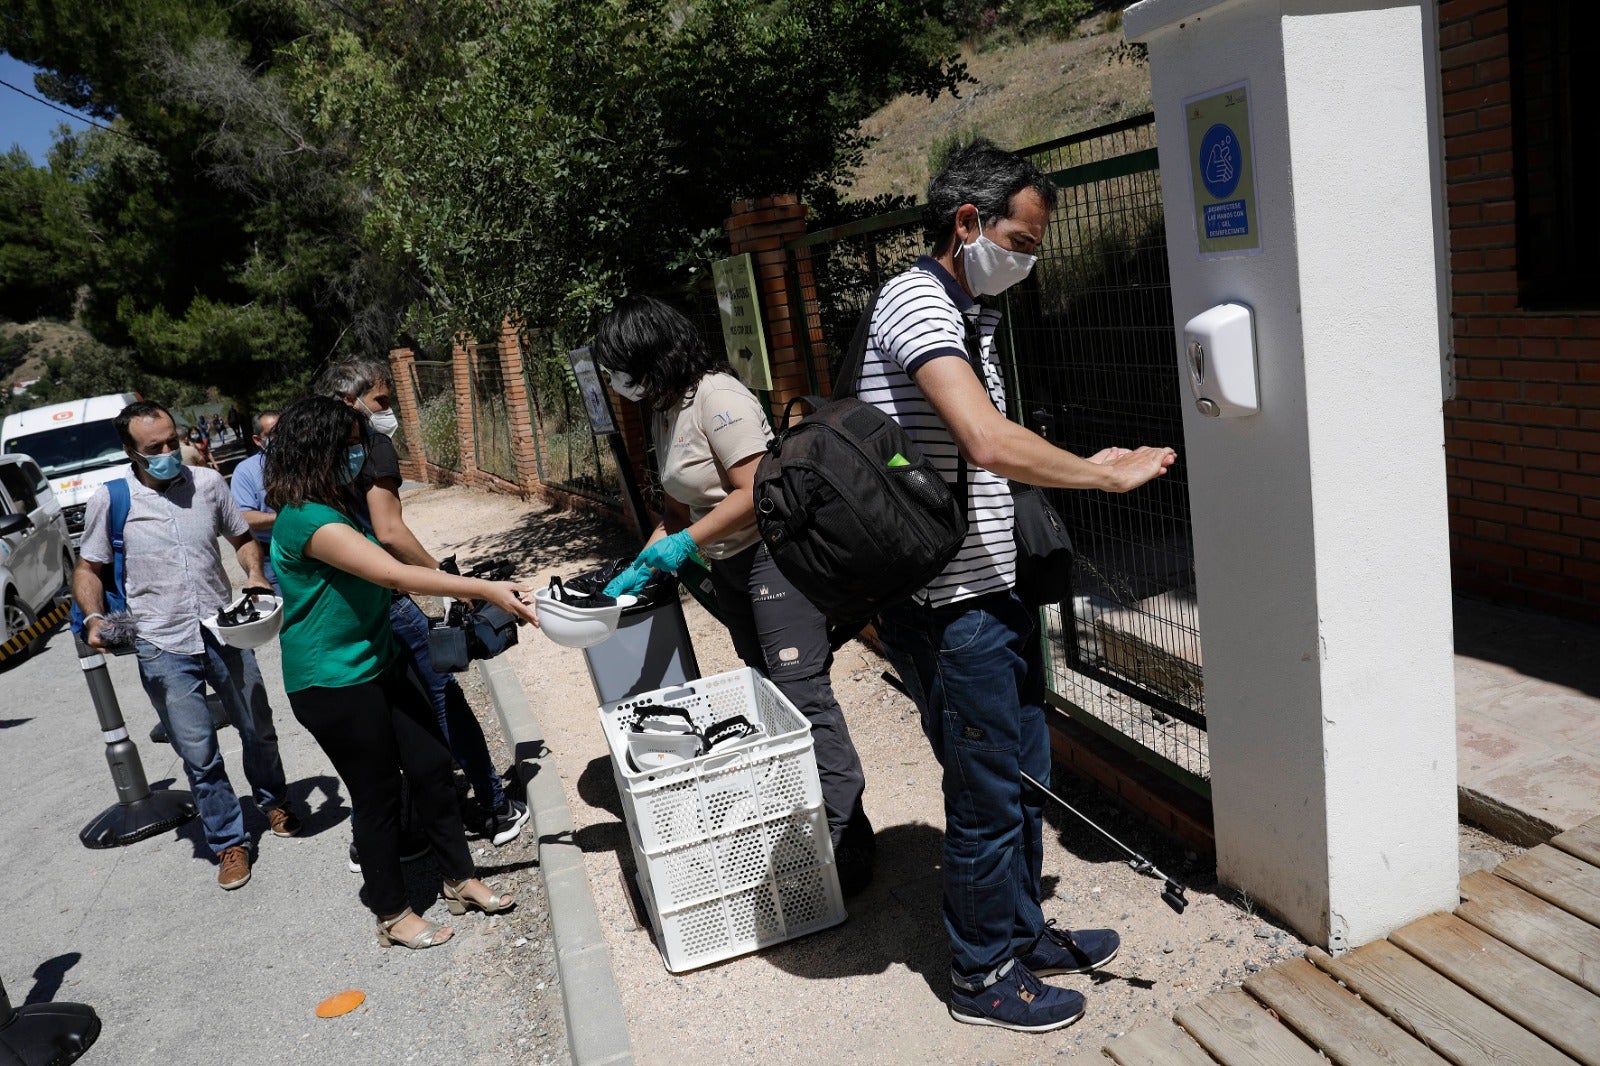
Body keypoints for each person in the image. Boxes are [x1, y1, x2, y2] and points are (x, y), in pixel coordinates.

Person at [860, 140, 1177, 1032]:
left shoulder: (971, 313)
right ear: (968, 224)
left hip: (991, 592)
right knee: (987, 795)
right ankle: (981, 973)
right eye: (1021, 241)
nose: (1030, 260)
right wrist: (1102, 478)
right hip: (948, 607)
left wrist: (1081, 462)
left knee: (1026, 774)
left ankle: (1023, 932)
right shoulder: (919, 302)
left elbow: (992, 446)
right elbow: (987, 442)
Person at [596, 295, 876, 892]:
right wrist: (646, 560)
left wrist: (683, 544)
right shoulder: (668, 407)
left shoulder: (718, 398)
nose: (617, 380)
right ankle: (816, 819)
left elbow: (756, 490)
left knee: (803, 694)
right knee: (768, 690)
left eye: (622, 364)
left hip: (772, 559)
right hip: (728, 566)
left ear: (651, 350)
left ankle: (848, 837)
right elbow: (678, 509)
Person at [266, 396, 535, 948]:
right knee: (378, 794)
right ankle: (392, 912)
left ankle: (459, 878)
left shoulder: (331, 503)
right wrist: (483, 589)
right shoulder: (306, 519)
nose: (359, 456)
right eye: (349, 447)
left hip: (380, 660)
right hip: (333, 681)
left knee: (433, 766)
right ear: (318, 450)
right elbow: (391, 574)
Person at [72, 400, 303, 891]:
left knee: (257, 726)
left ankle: (274, 801)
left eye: (171, 441)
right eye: (154, 448)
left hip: (223, 629)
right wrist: (93, 618)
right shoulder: (111, 500)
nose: (167, 452)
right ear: (130, 451)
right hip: (161, 642)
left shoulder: (207, 484)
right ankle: (229, 842)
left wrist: (256, 574)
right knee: (199, 753)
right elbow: (88, 569)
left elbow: (241, 536)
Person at [314, 358, 530, 848]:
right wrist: (447, 579)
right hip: (386, 599)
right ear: (350, 401)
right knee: (441, 698)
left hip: (340, 607)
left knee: (381, 720)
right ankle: (495, 807)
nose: (387, 414)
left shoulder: (308, 449)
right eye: (381, 402)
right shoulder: (371, 445)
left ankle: (389, 835)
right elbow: (389, 532)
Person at [230, 410, 281, 594]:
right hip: (270, 553)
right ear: (258, 440)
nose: (280, 438)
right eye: (272, 434)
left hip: (309, 547)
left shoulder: (306, 462)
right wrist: (286, 517)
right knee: (282, 607)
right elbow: (245, 517)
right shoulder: (246, 471)